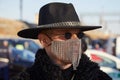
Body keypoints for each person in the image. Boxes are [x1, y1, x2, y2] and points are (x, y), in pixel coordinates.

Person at [17, 2, 112, 80]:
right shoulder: (28, 77)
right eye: (67, 35)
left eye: (79, 35)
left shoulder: (99, 77)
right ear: (44, 40)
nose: (76, 41)